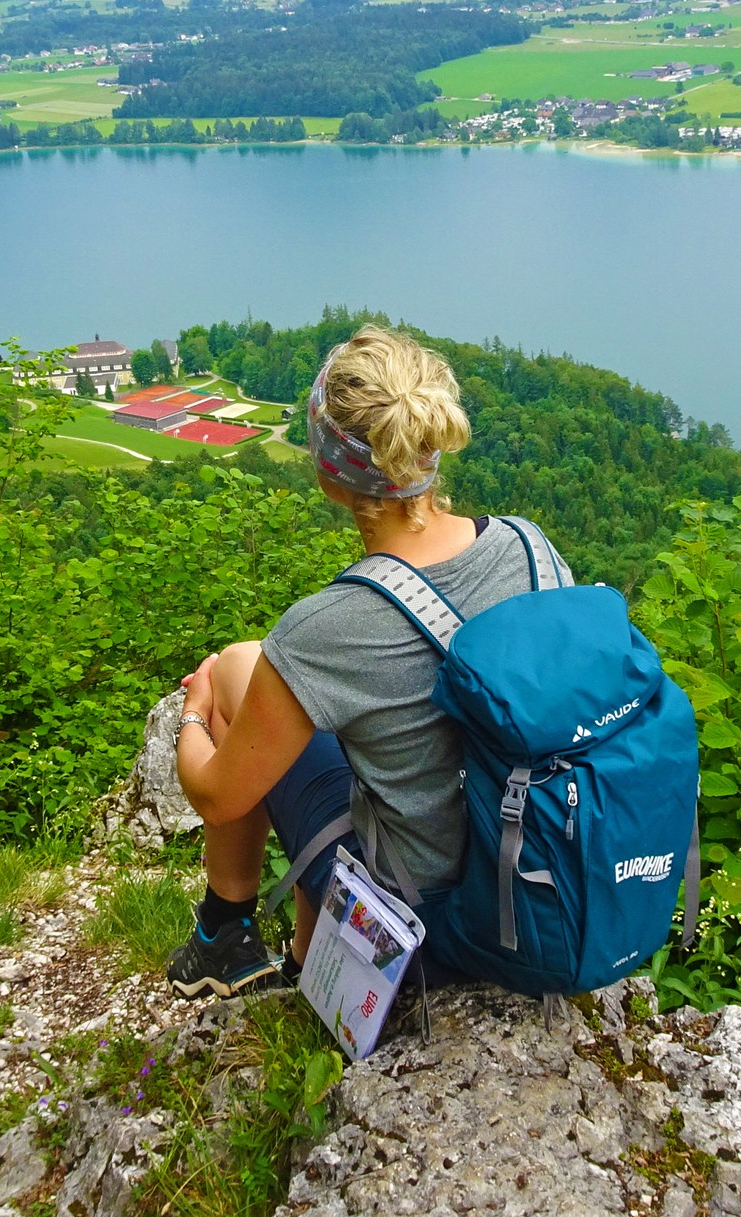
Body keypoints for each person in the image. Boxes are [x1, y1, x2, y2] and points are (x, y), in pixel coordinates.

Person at [165, 324, 573, 998]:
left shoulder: (329, 630)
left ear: (330, 464)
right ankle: (300, 957)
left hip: (423, 937)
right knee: (288, 690)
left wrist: (197, 707)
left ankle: (225, 935)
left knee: (238, 668)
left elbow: (214, 794)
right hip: (536, 894)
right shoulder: (532, 550)